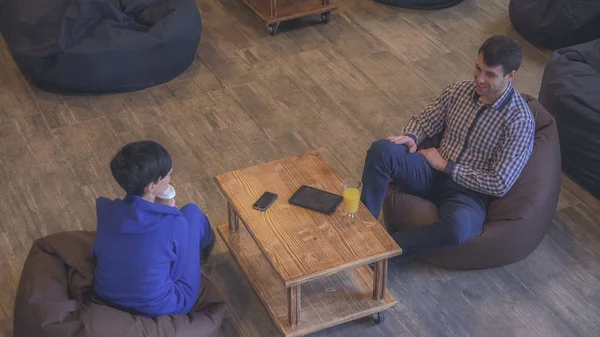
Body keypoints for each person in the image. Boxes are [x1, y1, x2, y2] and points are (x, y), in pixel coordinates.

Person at [360, 35, 535, 259]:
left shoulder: (520, 122)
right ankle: (362, 233)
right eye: (478, 68)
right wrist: (412, 135)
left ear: (511, 76)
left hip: (468, 194)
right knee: (382, 150)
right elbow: (424, 120)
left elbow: (500, 182)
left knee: (458, 228)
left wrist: (447, 167)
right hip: (429, 171)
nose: (479, 79)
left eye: (490, 74)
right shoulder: (458, 91)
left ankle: (381, 253)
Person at [93, 140, 215, 317]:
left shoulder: (105, 209)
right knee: (192, 213)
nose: (170, 177)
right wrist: (169, 214)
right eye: (167, 175)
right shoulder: (174, 223)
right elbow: (175, 274)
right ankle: (206, 246)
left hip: (106, 295)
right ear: (151, 186)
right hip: (161, 306)